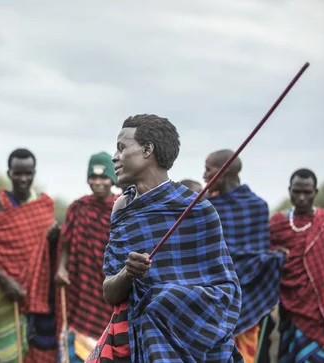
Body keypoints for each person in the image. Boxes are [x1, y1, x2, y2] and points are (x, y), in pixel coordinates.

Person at [87, 114, 242, 362]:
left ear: (148, 150)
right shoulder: (122, 208)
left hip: (186, 346)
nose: (115, 157)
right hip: (129, 343)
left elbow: (227, 294)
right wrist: (128, 273)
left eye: (121, 148)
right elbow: (110, 293)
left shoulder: (198, 211)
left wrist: (165, 300)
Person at [204, 149, 285, 362]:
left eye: (208, 169)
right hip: (218, 298)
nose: (204, 175)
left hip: (252, 297)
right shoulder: (207, 206)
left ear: (224, 172)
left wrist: (270, 260)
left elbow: (256, 253)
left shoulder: (257, 207)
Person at [270, 168, 324, 362]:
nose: (301, 198)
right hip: (290, 303)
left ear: (315, 193)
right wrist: (275, 256)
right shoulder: (277, 223)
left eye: (307, 192)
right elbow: (267, 262)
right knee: (292, 352)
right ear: (289, 190)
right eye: (296, 191)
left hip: (322, 302)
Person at [0, 148, 58, 363]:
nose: (23, 179)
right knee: (5, 355)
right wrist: (5, 281)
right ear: (9, 174)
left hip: (35, 293)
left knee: (31, 352)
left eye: (28, 173)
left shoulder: (44, 206)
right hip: (1, 293)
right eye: (18, 173)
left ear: (34, 173)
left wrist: (53, 240)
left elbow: (45, 254)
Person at [54, 152, 119, 362]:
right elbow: (65, 242)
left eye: (103, 177)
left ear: (113, 179)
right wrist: (61, 268)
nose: (98, 183)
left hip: (110, 287)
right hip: (81, 287)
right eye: (93, 177)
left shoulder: (121, 207)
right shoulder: (78, 207)